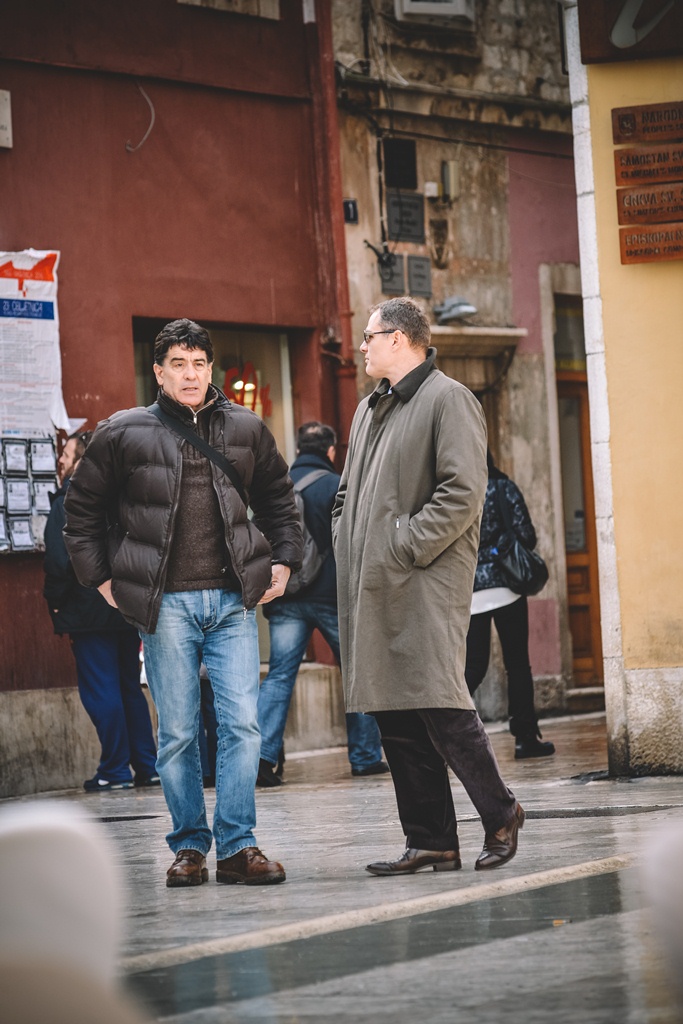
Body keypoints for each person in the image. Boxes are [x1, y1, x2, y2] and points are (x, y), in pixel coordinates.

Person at [64, 318, 302, 888]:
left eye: (199, 364)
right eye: (178, 364)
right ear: (159, 371)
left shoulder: (246, 427)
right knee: (176, 732)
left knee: (243, 726)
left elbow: (278, 500)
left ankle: (238, 846)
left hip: (231, 603)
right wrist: (103, 582)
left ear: (210, 369)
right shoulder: (124, 432)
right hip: (165, 606)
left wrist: (285, 561)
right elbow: (81, 514)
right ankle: (191, 846)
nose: (190, 374)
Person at [332, 296, 524, 876]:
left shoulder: (450, 399)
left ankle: (501, 813)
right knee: (395, 715)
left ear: (399, 339)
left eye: (369, 336)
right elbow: (346, 493)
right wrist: (347, 534)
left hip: (422, 580)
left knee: (442, 706)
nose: (361, 346)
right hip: (373, 584)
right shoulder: (369, 409)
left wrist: (402, 543)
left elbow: (464, 493)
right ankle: (431, 840)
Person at [256, 421, 388, 786]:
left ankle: (262, 759)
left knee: (280, 676)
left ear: (298, 449)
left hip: (285, 597)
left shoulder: (276, 487)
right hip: (332, 597)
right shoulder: (335, 485)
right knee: (357, 673)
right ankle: (364, 757)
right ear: (330, 451)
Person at [43, 430, 159, 792]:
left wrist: (57, 601)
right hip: (125, 605)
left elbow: (61, 561)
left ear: (82, 461)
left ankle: (114, 770)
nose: (61, 460)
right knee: (129, 687)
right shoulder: (125, 496)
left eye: (67, 454)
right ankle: (147, 765)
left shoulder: (70, 499)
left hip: (87, 608)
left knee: (101, 690)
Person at [465, 451, 555, 759]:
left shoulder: (456, 490)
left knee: (472, 667)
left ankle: (447, 733)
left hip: (472, 591)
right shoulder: (503, 487)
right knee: (517, 664)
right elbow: (526, 536)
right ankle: (525, 738)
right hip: (508, 588)